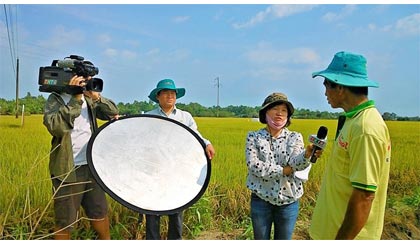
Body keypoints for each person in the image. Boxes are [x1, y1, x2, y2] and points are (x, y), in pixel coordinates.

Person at [309, 51, 391, 239]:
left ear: (340, 88)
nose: (325, 92)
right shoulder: (353, 120)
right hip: (331, 231)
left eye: (326, 85)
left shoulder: (365, 128)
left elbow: (364, 196)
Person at [43, 68, 119, 239]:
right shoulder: (55, 99)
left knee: (99, 212)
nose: (86, 82)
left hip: (91, 165)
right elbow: (56, 128)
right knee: (65, 220)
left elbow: (113, 113)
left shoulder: (89, 99)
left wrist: (96, 97)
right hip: (67, 169)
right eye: (83, 79)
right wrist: (75, 100)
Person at [144, 78, 216, 240]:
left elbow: (195, 135)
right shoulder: (148, 117)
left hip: (177, 170)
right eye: (166, 93)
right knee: (151, 208)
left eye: (173, 93)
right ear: (158, 96)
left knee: (176, 208)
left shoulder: (185, 116)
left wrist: (207, 143)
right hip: (154, 169)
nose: (170, 96)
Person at [245, 92, 323, 240]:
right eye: (274, 109)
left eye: (284, 110)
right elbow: (253, 165)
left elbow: (296, 164)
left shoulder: (295, 137)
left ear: (288, 116)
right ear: (265, 112)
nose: (279, 114)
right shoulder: (254, 137)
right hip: (261, 198)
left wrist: (306, 154)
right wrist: (283, 170)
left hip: (289, 200)